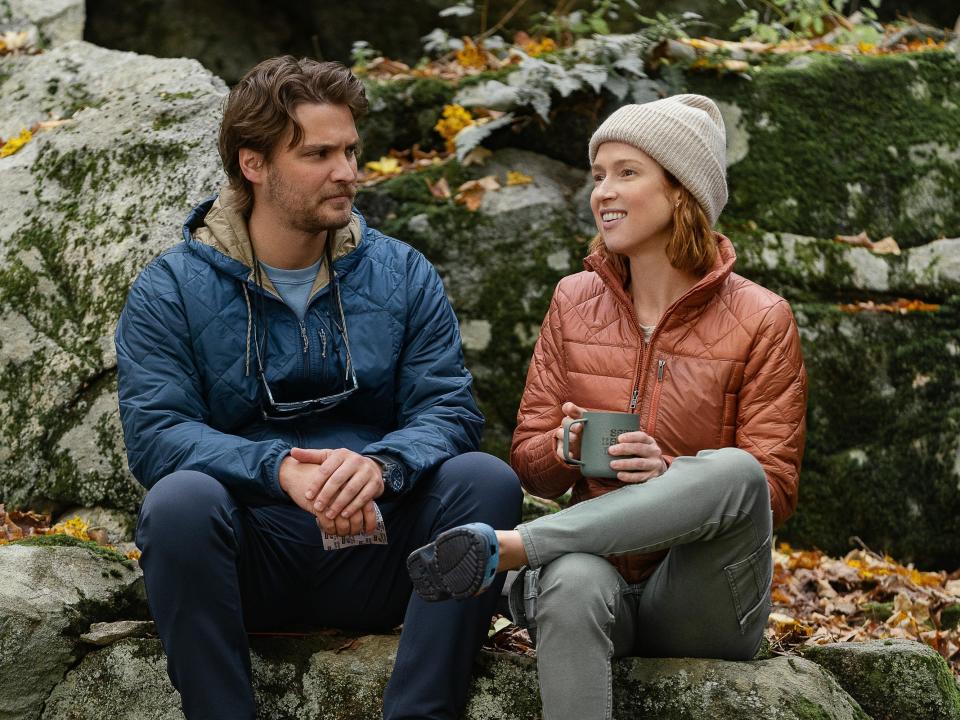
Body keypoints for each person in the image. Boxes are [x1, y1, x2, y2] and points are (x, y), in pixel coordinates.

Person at [115, 55, 521, 720]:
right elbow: (157, 435)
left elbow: (447, 408)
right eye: (319, 154)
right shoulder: (171, 290)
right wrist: (278, 471)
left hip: (383, 548)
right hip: (254, 556)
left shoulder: (401, 273)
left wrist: (381, 466)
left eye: (351, 151)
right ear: (254, 164)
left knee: (486, 481)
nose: (347, 173)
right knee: (178, 502)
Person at [406, 94, 808, 719]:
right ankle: (528, 554)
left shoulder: (762, 318)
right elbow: (531, 465)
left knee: (737, 471)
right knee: (570, 581)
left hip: (704, 601)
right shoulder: (573, 300)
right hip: (598, 588)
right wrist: (564, 448)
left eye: (627, 172)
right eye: (598, 176)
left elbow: (771, 489)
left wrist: (670, 474)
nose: (602, 192)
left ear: (681, 192)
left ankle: (516, 548)